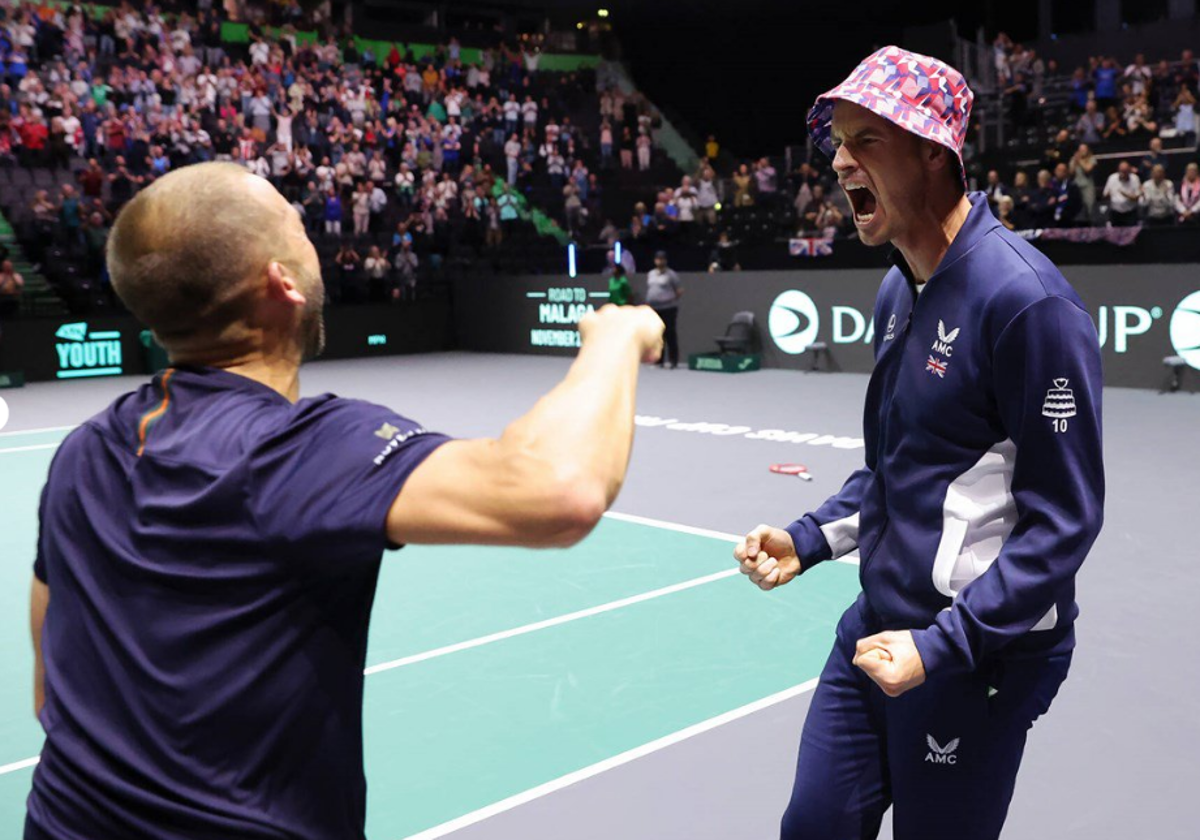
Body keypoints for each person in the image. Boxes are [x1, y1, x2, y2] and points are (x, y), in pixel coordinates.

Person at [26, 162, 664, 840]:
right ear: (284, 281)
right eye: (297, 227)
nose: (310, 242)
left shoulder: (82, 452)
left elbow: (49, 686)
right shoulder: (296, 447)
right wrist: (615, 338)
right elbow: (559, 487)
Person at [735, 47, 1103, 840]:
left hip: (978, 658)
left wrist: (947, 645)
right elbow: (901, 469)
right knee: (813, 826)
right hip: (877, 629)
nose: (838, 161)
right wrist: (807, 540)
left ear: (933, 153)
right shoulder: (897, 287)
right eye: (837, 141)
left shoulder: (1028, 305)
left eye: (865, 140)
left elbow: (1065, 522)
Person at [645, 250, 683, 369]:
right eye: (658, 259)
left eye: (662, 259)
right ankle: (658, 360)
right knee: (657, 335)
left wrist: (668, 299)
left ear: (665, 261)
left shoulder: (671, 274)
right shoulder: (651, 274)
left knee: (670, 334)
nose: (659, 261)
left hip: (669, 308)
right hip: (654, 309)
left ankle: (673, 360)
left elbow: (680, 290)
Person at [1102, 161, 1141, 226]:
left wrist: (1127, 195)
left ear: (1129, 171)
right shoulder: (1112, 178)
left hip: (1130, 213)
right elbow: (1105, 194)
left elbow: (1137, 197)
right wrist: (1107, 195)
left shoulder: (1135, 178)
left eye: (1125, 172)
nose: (1122, 174)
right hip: (1115, 213)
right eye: (1121, 171)